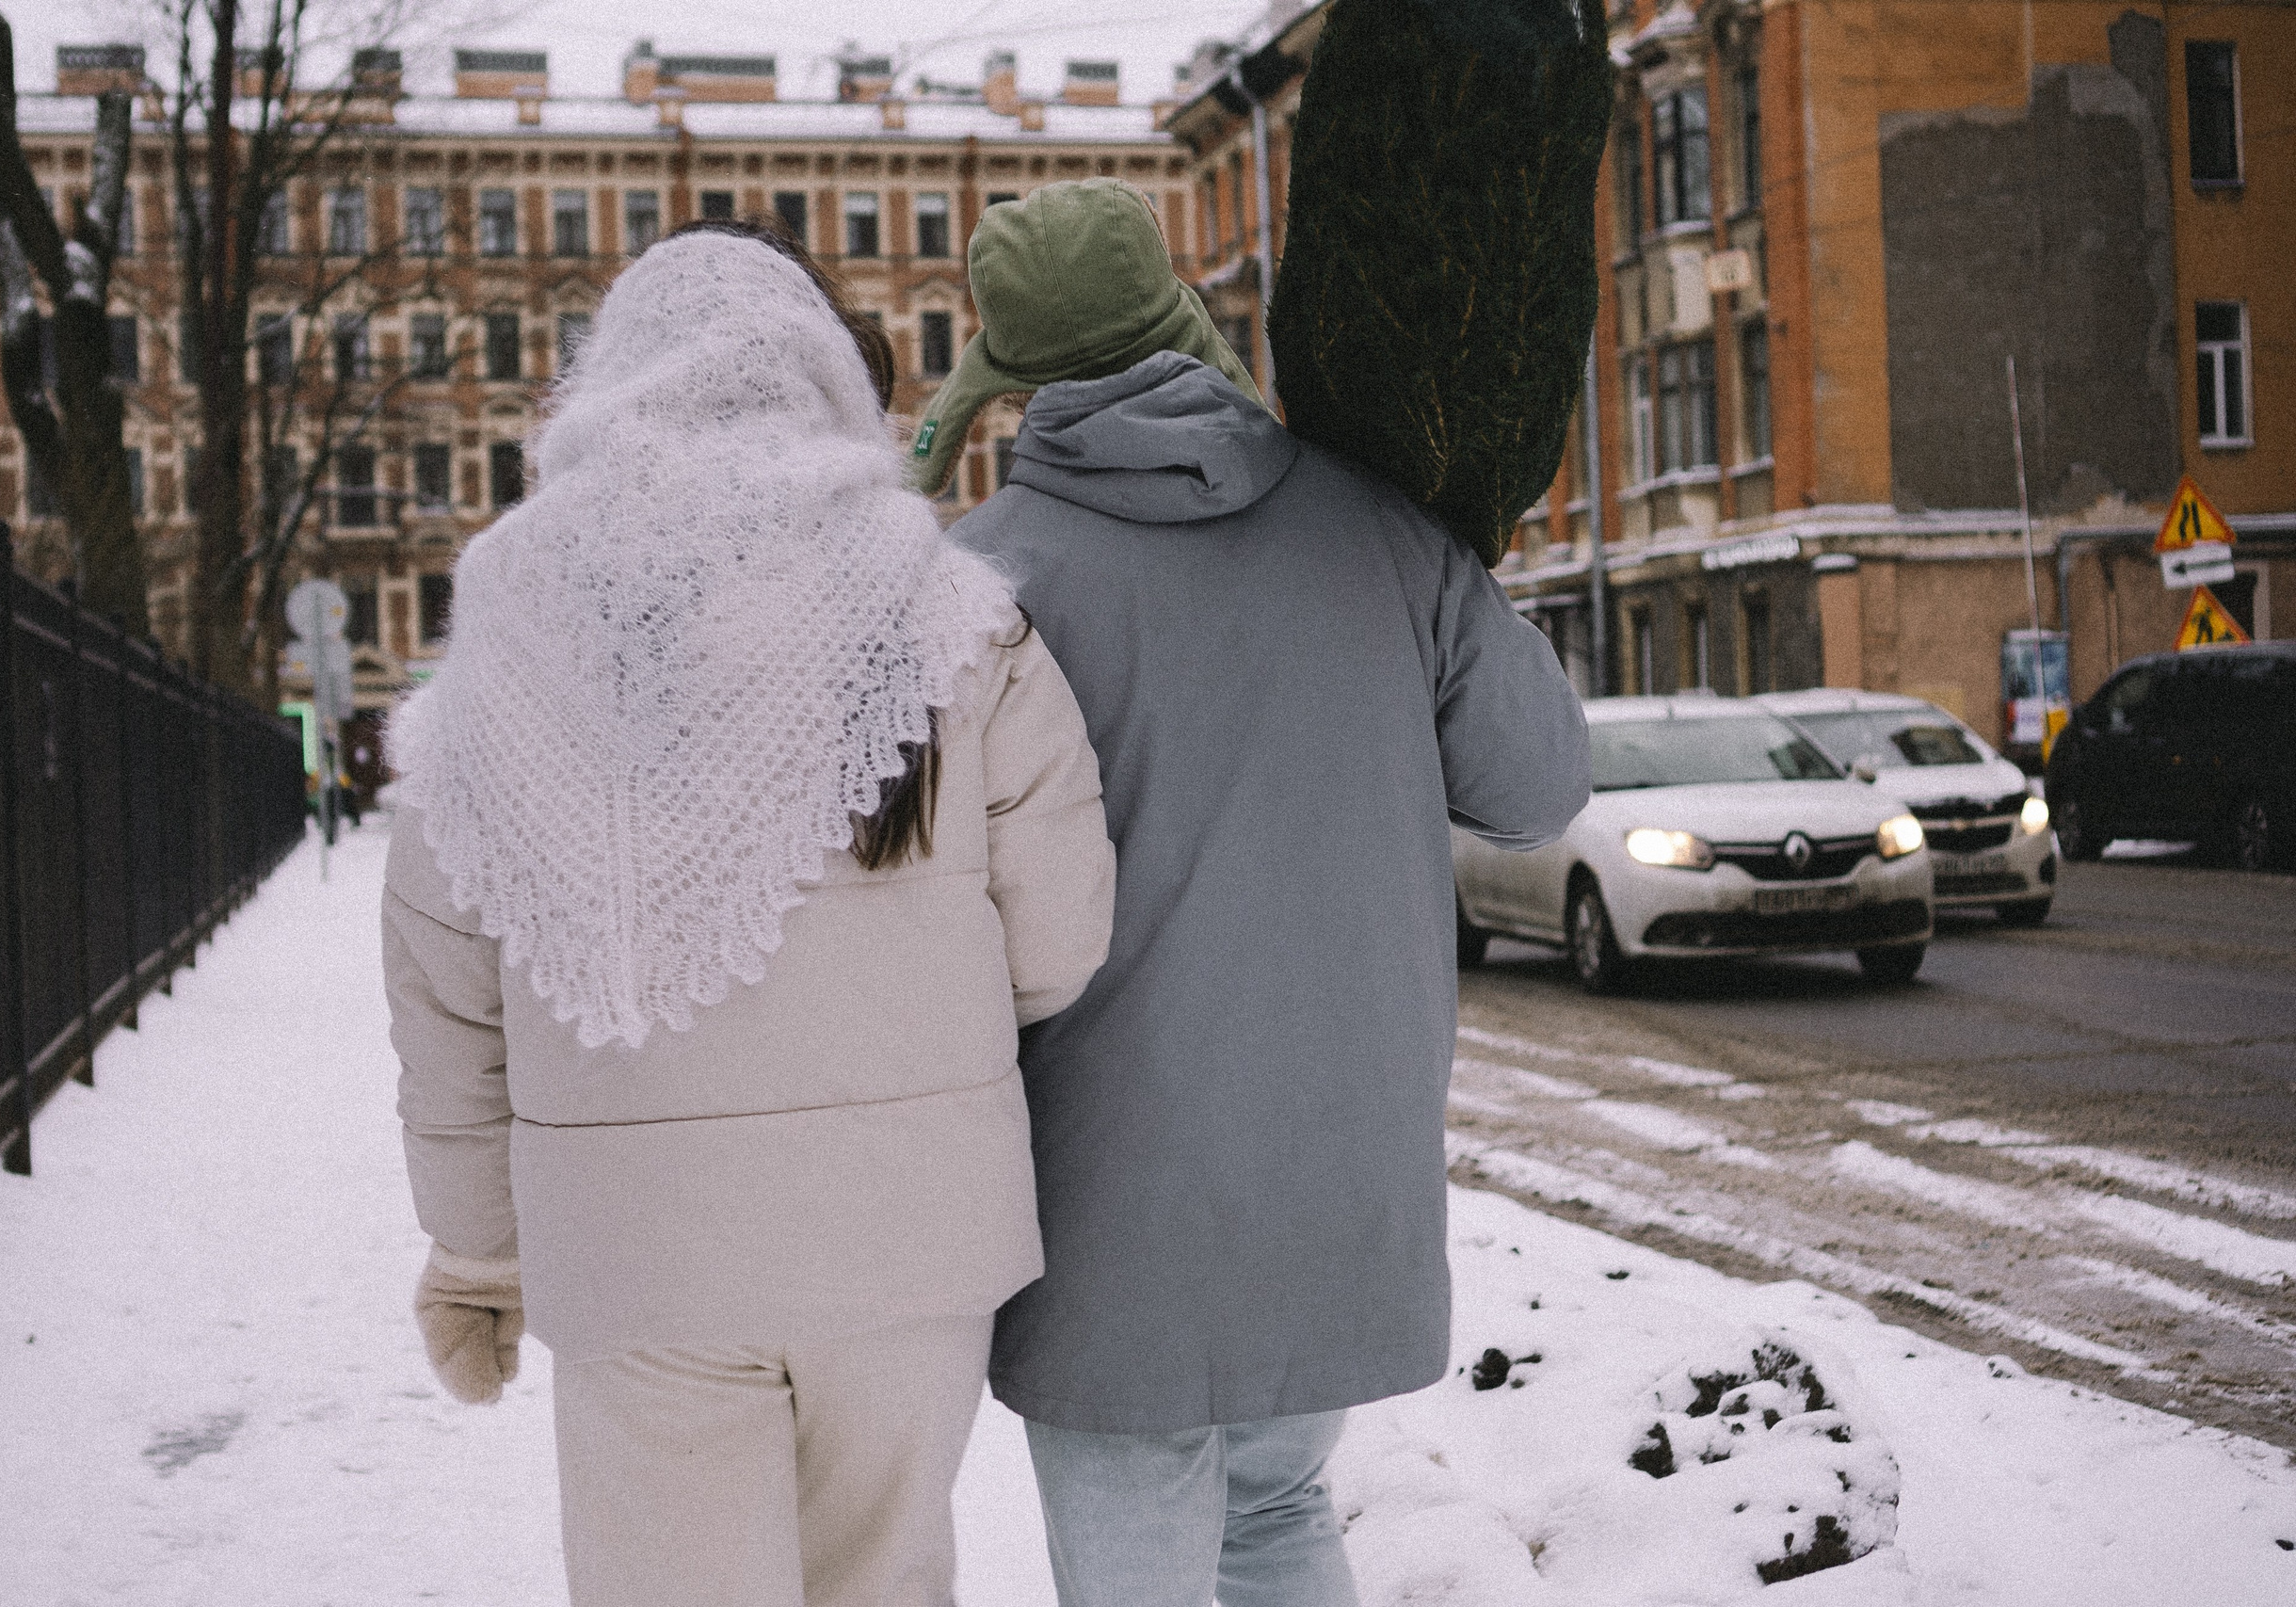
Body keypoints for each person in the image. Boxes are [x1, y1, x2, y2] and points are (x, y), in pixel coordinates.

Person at [380, 219, 1116, 1607]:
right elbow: (1060, 937)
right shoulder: (948, 612)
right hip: (909, 1234)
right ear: (822, 373)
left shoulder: (511, 617)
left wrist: (476, 1246)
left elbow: (448, 997)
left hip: (636, 1249)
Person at [917, 178, 1592, 1607]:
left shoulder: (974, 584)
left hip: (1105, 1204)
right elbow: (1539, 787)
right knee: (1279, 1506)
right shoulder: (1385, 533)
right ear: (1178, 315)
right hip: (1344, 1179)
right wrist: (1452, 565)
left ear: (1010, 370)